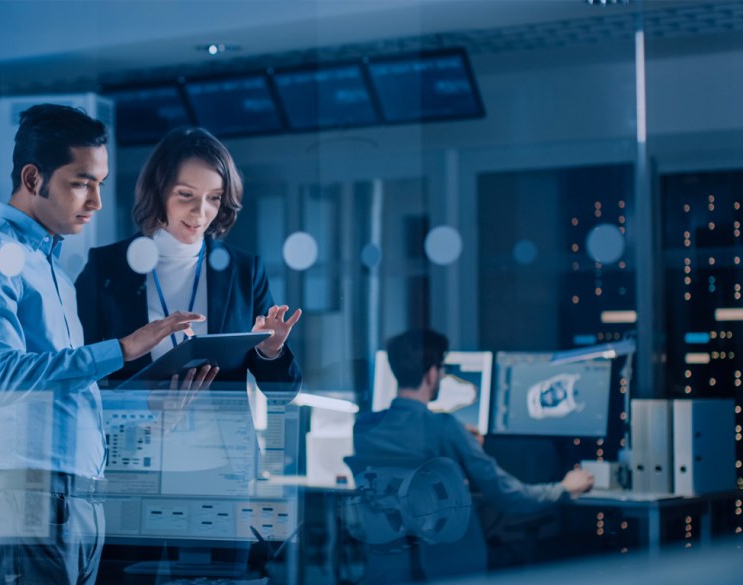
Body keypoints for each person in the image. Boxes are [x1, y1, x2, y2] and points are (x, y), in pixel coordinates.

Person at [0, 104, 207, 585]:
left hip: (79, 498)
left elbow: (61, 396)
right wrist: (122, 349)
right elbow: (1, 377)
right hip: (23, 490)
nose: (96, 201)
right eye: (82, 182)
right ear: (32, 177)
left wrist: (151, 410)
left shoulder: (53, 271)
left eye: (100, 184)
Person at [351, 329, 594, 582]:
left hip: (389, 565)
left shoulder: (364, 429)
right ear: (433, 373)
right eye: (442, 368)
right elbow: (507, 495)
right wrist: (564, 488)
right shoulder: (444, 428)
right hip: (450, 569)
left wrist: (461, 445)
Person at [76, 126, 302, 394]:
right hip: (136, 433)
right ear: (159, 191)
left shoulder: (244, 271)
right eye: (186, 195)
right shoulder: (106, 267)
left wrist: (271, 350)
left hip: (223, 435)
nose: (201, 211)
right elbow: (76, 371)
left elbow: (283, 393)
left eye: (214, 198)